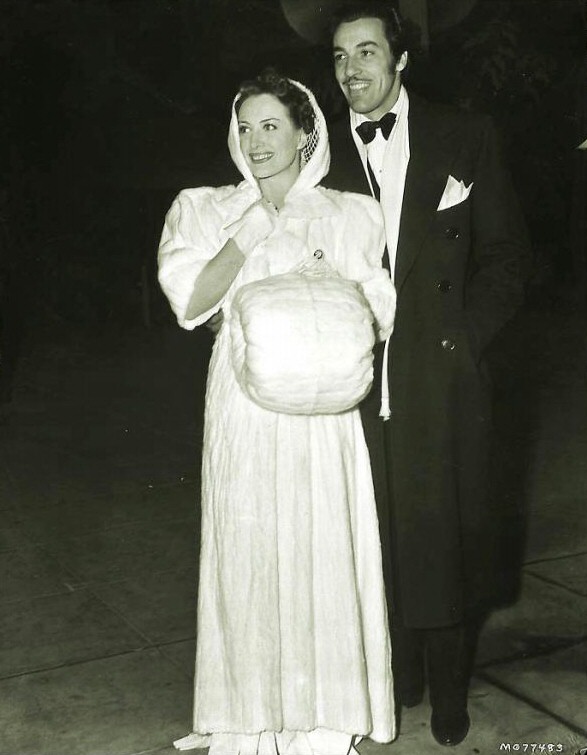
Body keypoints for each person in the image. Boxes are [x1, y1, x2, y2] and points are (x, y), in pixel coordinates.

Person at [157, 69, 397, 755]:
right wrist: (250, 230)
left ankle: (323, 723)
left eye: (270, 126)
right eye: (244, 126)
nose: (255, 141)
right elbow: (192, 302)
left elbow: (378, 308)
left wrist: (319, 310)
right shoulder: (203, 207)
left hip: (324, 410)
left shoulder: (352, 213)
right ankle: (247, 721)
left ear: (304, 134)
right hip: (244, 406)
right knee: (248, 550)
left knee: (325, 548)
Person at [322, 2, 531, 747]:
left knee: (436, 538)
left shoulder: (463, 135)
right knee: (372, 535)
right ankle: (395, 675)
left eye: (367, 52)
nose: (352, 71)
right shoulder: (320, 154)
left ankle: (446, 694)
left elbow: (507, 259)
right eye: (341, 57)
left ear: (400, 59)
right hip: (348, 382)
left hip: (436, 377)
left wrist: (462, 341)